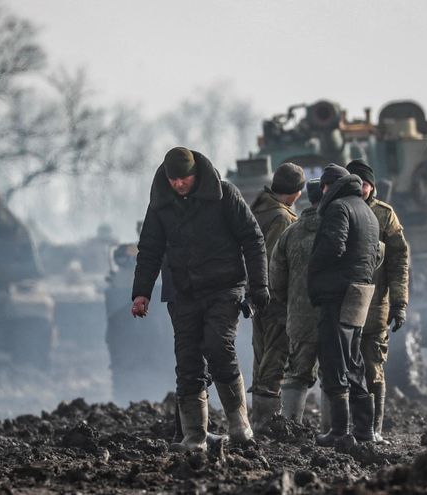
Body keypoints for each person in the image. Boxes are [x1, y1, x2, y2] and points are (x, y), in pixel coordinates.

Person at [131, 147, 269, 451]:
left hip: (224, 287)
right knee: (188, 361)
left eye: (185, 178)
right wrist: (141, 292)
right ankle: (195, 436)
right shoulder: (160, 204)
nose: (179, 184)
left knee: (219, 346)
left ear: (197, 174)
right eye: (174, 180)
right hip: (183, 293)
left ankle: (239, 424)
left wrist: (258, 287)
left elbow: (253, 238)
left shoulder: (225, 196)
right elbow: (150, 249)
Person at [308, 164, 380, 446]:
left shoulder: (339, 208)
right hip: (359, 293)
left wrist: (313, 268)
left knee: (334, 361)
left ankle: (338, 431)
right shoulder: (367, 211)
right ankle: (364, 431)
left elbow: (333, 247)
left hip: (337, 294)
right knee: (354, 361)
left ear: (329, 186)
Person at [345, 159, 410, 444]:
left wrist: (400, 303)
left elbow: (399, 261)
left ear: (372, 186)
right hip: (343, 304)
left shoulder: (386, 216)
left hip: (375, 307)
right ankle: (347, 428)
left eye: (365, 184)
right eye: (355, 183)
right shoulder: (337, 211)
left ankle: (374, 429)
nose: (361, 189)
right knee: (344, 370)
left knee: (373, 369)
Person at [248, 162, 305, 431]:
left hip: (256, 294)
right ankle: (266, 418)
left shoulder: (259, 210)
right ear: (296, 192)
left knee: (261, 353)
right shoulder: (282, 218)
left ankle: (258, 416)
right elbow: (274, 260)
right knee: (276, 352)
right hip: (275, 297)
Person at [269, 179, 323, 423]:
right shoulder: (338, 228)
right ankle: (332, 429)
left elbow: (276, 278)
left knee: (297, 373)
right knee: (334, 374)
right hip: (333, 316)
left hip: (299, 317)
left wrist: (290, 302)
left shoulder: (290, 233)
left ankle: (291, 424)